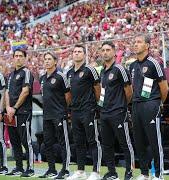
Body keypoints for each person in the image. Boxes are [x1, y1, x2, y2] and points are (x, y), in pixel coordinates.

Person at [129, 35, 169, 180]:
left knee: (154, 141)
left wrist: (158, 103)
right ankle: (144, 174)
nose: (135, 44)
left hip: (151, 105)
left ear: (147, 46)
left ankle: (158, 174)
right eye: (134, 42)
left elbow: (164, 88)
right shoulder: (132, 66)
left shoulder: (154, 63)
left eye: (139, 42)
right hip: (136, 106)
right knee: (139, 142)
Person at [99, 41, 135, 180]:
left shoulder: (120, 69)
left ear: (114, 52)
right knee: (106, 145)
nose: (105, 52)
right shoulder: (102, 71)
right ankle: (112, 172)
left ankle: (129, 172)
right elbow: (102, 92)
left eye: (108, 50)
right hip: (105, 113)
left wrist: (121, 106)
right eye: (103, 50)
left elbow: (129, 91)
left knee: (125, 143)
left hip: (118, 112)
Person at [66, 45, 102, 180]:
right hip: (75, 112)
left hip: (88, 110)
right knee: (78, 142)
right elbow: (69, 94)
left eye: (79, 52)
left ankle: (96, 172)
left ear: (84, 54)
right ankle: (80, 171)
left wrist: (97, 106)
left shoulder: (90, 70)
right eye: (74, 52)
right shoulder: (69, 72)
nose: (76, 54)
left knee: (93, 140)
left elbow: (98, 88)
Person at [38, 52, 71, 179]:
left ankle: (66, 169)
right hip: (47, 116)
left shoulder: (61, 76)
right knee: (47, 143)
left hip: (59, 114)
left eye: (49, 59)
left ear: (55, 61)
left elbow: (68, 96)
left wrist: (63, 110)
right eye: (45, 59)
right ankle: (51, 169)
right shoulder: (42, 78)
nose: (46, 61)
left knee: (64, 143)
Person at [5, 49, 35, 177]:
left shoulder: (26, 72)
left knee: (26, 141)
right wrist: (7, 107)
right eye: (16, 56)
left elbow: (25, 91)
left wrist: (15, 108)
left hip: (23, 112)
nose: (18, 58)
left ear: (25, 58)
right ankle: (18, 167)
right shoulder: (11, 75)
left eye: (20, 56)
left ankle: (30, 168)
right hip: (10, 113)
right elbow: (6, 92)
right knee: (14, 141)